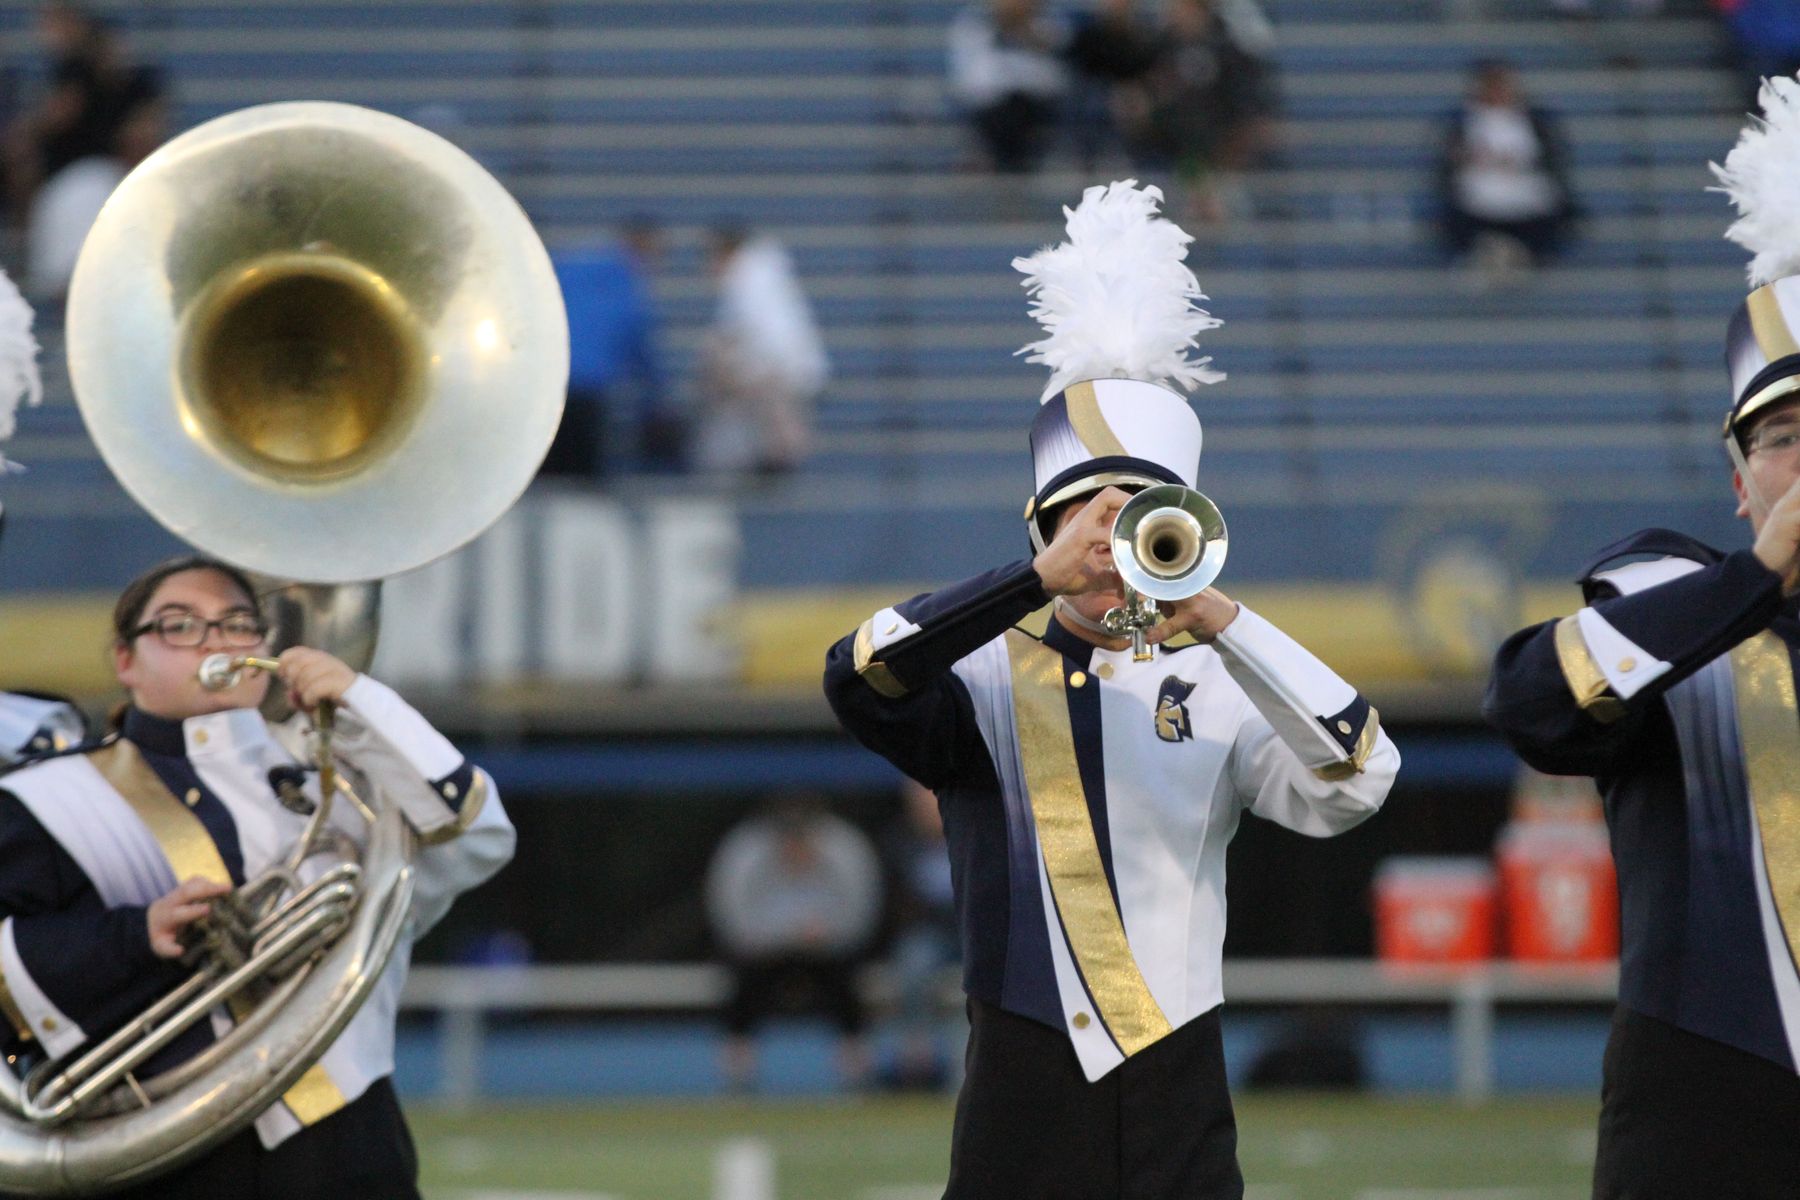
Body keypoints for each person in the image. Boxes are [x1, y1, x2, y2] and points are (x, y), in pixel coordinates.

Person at [822, 180, 1398, 1198]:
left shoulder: (1220, 681)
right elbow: (861, 672)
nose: (1110, 540)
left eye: (1138, 516)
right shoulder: (986, 680)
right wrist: (1031, 584)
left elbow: (1357, 777)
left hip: (1182, 1090)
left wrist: (1227, 621)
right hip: (1021, 1090)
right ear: (1039, 528)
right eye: (1084, 514)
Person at [1484, 78, 1800, 1199]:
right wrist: (1760, 575)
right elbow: (1531, 699)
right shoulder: (1675, 590)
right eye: (1785, 435)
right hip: (1712, 1099)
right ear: (1737, 481)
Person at [0, 554, 515, 1199]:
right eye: (180, 625)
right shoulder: (49, 798)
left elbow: (480, 834)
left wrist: (359, 701)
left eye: (239, 623)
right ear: (126, 661)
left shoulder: (345, 780)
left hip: (350, 1150)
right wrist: (137, 935)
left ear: (266, 646)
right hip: (161, 1165)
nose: (215, 641)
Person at [704, 794, 882, 1092]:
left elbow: (860, 916)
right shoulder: (746, 853)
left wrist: (826, 934)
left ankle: (856, 1073)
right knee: (741, 982)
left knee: (846, 984)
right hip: (765, 954)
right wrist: (783, 936)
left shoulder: (844, 851)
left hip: (828, 953)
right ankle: (738, 1075)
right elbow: (732, 921)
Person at [543, 216, 675, 478]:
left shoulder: (572, 264)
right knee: (581, 478)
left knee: (549, 476)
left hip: (552, 385)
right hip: (589, 392)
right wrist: (657, 399)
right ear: (644, 245)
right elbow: (639, 346)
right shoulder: (627, 282)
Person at [692, 224, 829, 477]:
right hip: (783, 368)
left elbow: (749, 336)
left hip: (779, 370)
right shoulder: (761, 273)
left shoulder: (746, 278)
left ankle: (773, 461)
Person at [1436, 60, 1576, 279]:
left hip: (1528, 203)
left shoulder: (1535, 120)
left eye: (1502, 85)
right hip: (1478, 205)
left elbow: (1552, 159)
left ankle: (1516, 258)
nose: (1498, 92)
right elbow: (1448, 165)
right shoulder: (1462, 122)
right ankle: (1495, 256)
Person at [946, 0, 1069, 174]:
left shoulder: (1047, 20)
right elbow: (970, 78)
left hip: (1034, 105)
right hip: (992, 107)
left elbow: (1055, 77)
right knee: (1004, 116)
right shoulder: (975, 21)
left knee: (1017, 110)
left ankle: (1004, 166)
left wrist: (1026, 34)